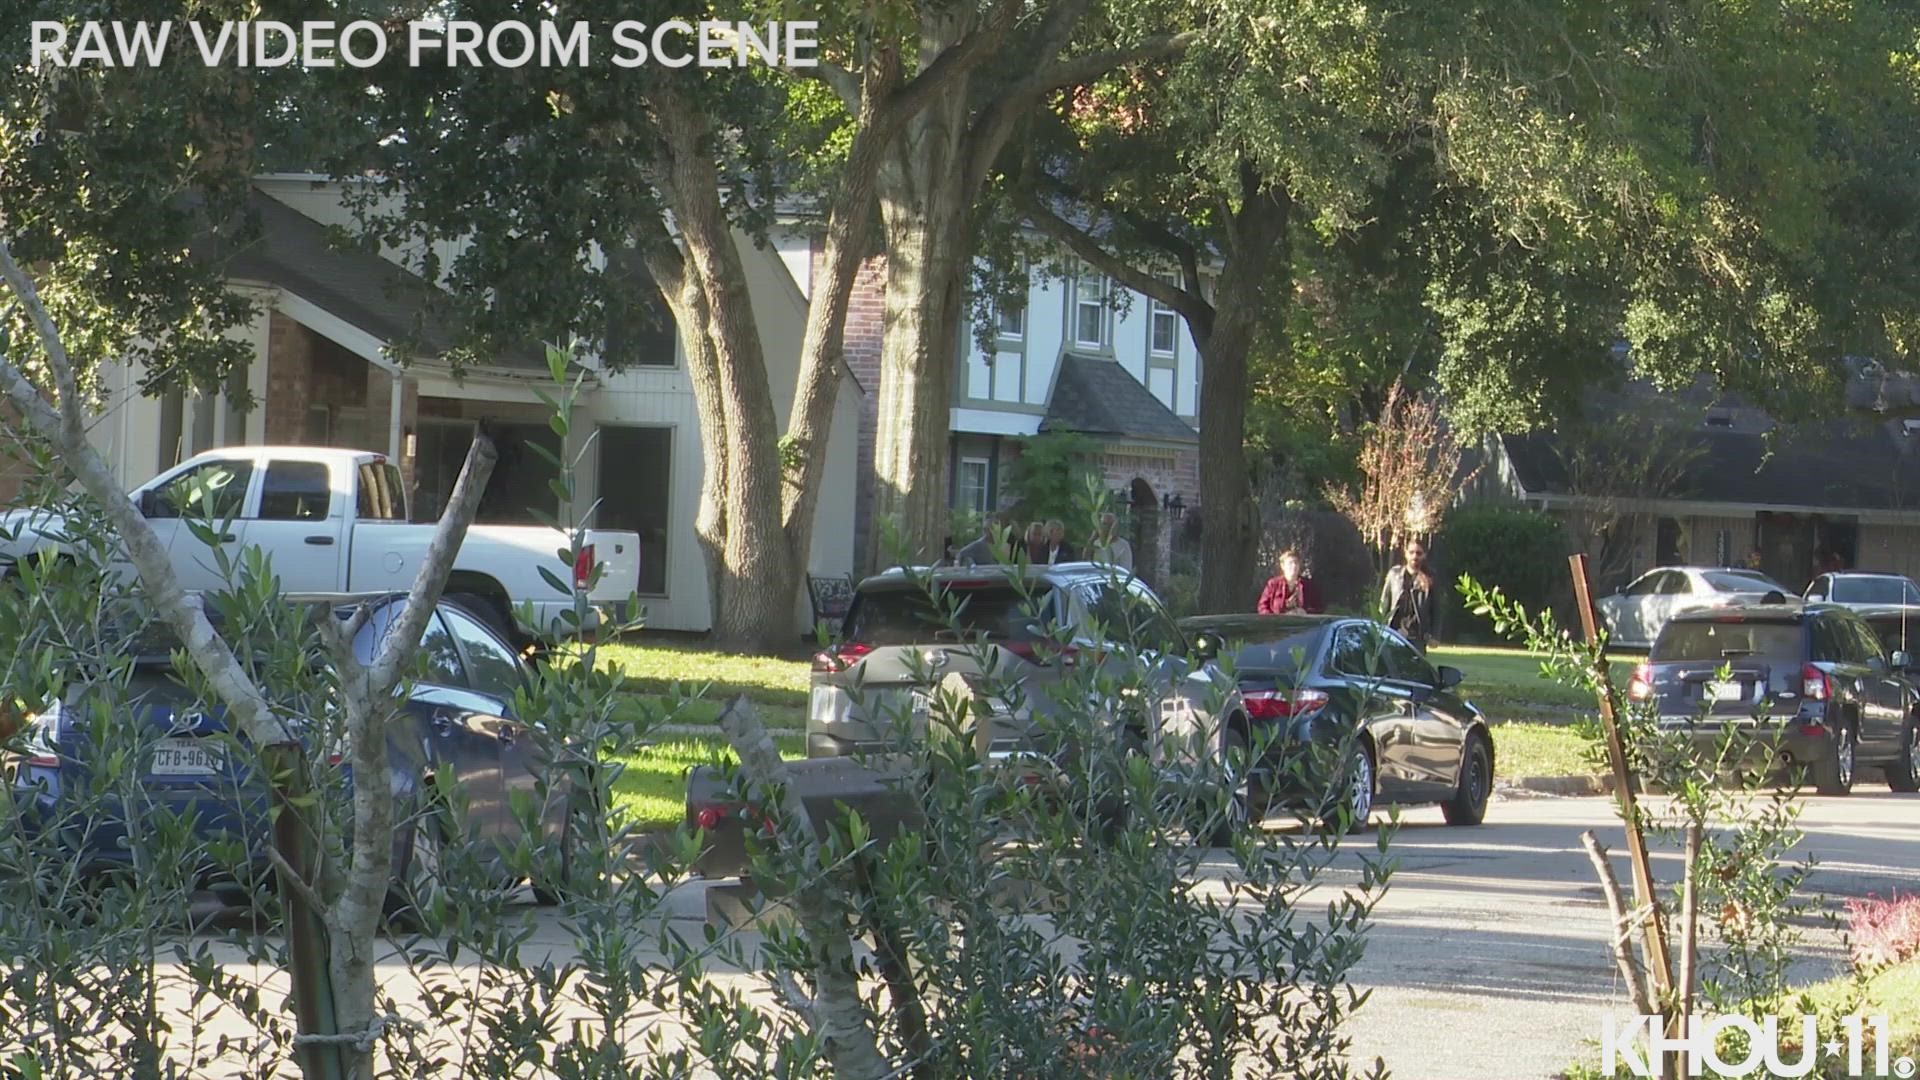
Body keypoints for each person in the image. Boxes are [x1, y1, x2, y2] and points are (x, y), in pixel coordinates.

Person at [1380, 537, 1437, 648]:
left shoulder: (1430, 578)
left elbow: (1436, 609)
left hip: (1417, 637)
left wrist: (1434, 635)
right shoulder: (1394, 575)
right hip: (1394, 632)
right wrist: (1380, 629)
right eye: (1411, 552)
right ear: (1406, 554)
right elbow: (1384, 603)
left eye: (1418, 553)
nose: (1414, 556)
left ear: (1424, 555)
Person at [1257, 549, 1322, 614]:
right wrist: (1274, 618)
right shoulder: (1273, 584)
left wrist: (1305, 612)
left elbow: (1318, 607)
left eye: (1296, 562)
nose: (1294, 566)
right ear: (1283, 566)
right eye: (1290, 563)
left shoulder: (1308, 585)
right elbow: (1262, 607)